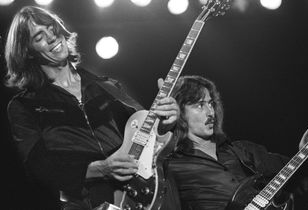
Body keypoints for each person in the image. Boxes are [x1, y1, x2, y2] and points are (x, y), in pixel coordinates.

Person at [4, 6, 180, 210]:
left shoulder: (108, 86)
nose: (52, 37)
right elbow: (39, 169)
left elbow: (149, 140)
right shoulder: (24, 106)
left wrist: (167, 122)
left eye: (51, 28)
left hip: (135, 199)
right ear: (27, 52)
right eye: (39, 37)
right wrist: (101, 169)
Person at [166, 75, 308, 210]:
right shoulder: (170, 166)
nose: (210, 112)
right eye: (199, 105)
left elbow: (300, 180)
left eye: (211, 103)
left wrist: (307, 154)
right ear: (179, 111)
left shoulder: (243, 150)